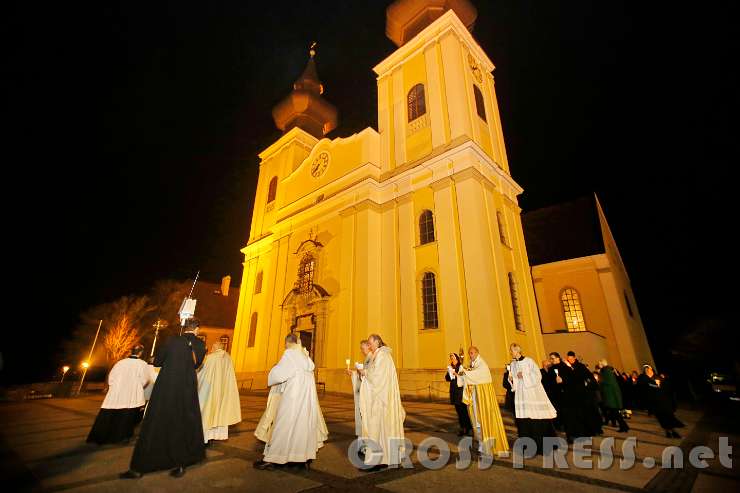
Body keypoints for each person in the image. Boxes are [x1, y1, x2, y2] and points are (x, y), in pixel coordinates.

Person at [121, 318, 207, 479]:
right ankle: (180, 464)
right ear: (196, 329)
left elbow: (158, 362)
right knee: (183, 421)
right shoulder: (200, 345)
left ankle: (140, 467)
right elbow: (197, 364)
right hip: (186, 387)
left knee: (157, 421)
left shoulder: (172, 340)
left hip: (167, 386)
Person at [254, 333, 328, 470]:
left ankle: (274, 459)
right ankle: (300, 459)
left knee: (283, 425)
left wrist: (273, 370)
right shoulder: (305, 357)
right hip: (306, 399)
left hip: (293, 398)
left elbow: (278, 375)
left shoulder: (290, 355)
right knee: (302, 427)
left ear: (287, 343)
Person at [87, 344, 153, 445]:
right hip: (131, 394)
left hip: (116, 393)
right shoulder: (142, 364)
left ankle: (100, 437)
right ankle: (121, 437)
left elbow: (111, 377)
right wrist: (137, 387)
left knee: (109, 414)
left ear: (131, 351)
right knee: (126, 416)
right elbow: (146, 379)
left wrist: (115, 387)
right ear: (140, 353)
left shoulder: (120, 362)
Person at [357, 333, 406, 471]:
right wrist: (364, 372)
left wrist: (365, 372)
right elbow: (374, 374)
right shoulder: (377, 355)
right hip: (378, 398)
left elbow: (378, 377)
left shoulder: (382, 356)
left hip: (380, 400)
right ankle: (382, 459)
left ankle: (377, 460)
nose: (369, 346)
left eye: (370, 343)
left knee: (377, 429)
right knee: (380, 430)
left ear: (377, 342)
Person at [455, 346, 509, 457]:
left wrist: (464, 371)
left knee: (484, 419)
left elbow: (477, 375)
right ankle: (481, 444)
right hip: (475, 397)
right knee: (476, 421)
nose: (471, 355)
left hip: (482, 398)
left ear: (477, 353)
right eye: (470, 353)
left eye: (472, 353)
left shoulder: (482, 364)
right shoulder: (473, 364)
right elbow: (469, 377)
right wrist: (461, 374)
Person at [508, 344, 557, 455]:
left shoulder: (529, 361)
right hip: (521, 394)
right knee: (524, 419)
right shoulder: (513, 364)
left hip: (532, 394)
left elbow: (537, 375)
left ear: (517, 350)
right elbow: (514, 379)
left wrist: (524, 375)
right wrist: (512, 378)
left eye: (511, 351)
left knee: (535, 417)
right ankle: (527, 445)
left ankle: (541, 446)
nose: (510, 353)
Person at [197, 342, 242, 443]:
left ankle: (204, 438)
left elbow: (201, 374)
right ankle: (214, 435)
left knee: (206, 413)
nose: (211, 349)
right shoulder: (228, 358)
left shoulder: (210, 358)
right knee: (219, 413)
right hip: (222, 392)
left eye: (212, 347)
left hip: (209, 391)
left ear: (215, 347)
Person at [556, 351, 601, 442]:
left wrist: (586, 384)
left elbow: (588, 377)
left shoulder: (580, 366)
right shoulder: (568, 367)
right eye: (568, 358)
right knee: (580, 414)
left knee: (587, 413)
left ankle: (592, 430)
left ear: (574, 358)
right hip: (575, 395)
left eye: (571, 358)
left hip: (584, 394)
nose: (570, 360)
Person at [641, 365, 684, 438]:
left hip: (663, 401)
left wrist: (660, 382)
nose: (649, 371)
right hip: (655, 403)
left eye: (649, 370)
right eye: (646, 370)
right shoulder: (645, 379)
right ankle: (669, 432)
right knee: (662, 419)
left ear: (652, 370)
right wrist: (655, 384)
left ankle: (673, 432)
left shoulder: (658, 377)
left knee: (668, 417)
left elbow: (665, 387)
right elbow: (648, 388)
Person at [348, 340, 373, 451]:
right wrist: (353, 373)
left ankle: (365, 446)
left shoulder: (371, 358)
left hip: (367, 395)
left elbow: (370, 375)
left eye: (363, 348)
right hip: (362, 393)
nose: (361, 350)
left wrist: (359, 371)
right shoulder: (367, 358)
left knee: (365, 419)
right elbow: (363, 374)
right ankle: (362, 445)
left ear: (369, 346)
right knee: (362, 419)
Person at [445, 352, 473, 436]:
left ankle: (466, 428)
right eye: (451, 358)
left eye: (453, 358)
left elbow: (463, 377)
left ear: (456, 358)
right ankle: (463, 427)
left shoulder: (460, 367)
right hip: (454, 390)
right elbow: (447, 378)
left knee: (463, 410)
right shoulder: (450, 367)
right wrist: (449, 373)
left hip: (460, 391)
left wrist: (456, 374)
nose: (452, 359)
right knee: (458, 411)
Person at [598, 359, 629, 432]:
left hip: (611, 395)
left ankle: (624, 427)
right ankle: (624, 426)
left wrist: (600, 382)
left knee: (615, 412)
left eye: (599, 364)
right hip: (610, 395)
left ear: (602, 364)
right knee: (614, 412)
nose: (599, 365)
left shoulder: (606, 371)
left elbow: (609, 382)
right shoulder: (605, 370)